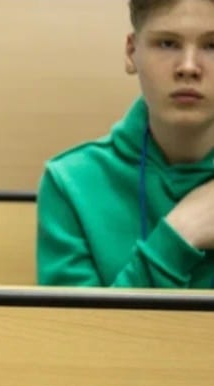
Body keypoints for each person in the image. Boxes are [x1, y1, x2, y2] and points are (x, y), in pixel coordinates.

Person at [36, 0, 214, 287]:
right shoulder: (72, 183)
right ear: (132, 52)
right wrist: (179, 235)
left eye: (212, 46)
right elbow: (75, 319)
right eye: (167, 44)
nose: (188, 67)